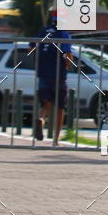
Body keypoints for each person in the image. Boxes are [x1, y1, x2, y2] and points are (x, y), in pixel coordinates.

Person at [31, 10, 74, 145]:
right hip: (58, 75)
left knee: (46, 104)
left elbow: (30, 47)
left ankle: (41, 119)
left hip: (43, 73)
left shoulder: (43, 31)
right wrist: (68, 65)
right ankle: (55, 139)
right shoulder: (64, 33)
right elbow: (67, 53)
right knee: (60, 107)